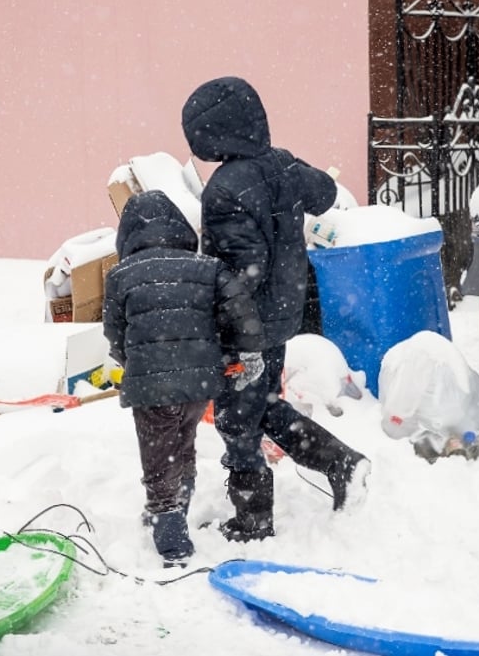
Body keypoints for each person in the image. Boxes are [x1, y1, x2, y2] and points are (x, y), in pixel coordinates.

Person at [181, 75, 371, 543]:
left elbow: (242, 270)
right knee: (264, 406)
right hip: (284, 315)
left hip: (247, 328)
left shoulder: (225, 188)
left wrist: (223, 326)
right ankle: (343, 464)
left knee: (235, 419)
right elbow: (325, 194)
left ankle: (253, 518)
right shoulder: (280, 164)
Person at [102, 189, 265, 567]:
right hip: (199, 380)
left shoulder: (121, 275)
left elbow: (114, 330)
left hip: (151, 385)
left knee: (157, 452)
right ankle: (179, 503)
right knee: (183, 440)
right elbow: (240, 307)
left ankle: (170, 534)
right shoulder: (206, 267)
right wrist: (249, 351)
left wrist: (133, 361)